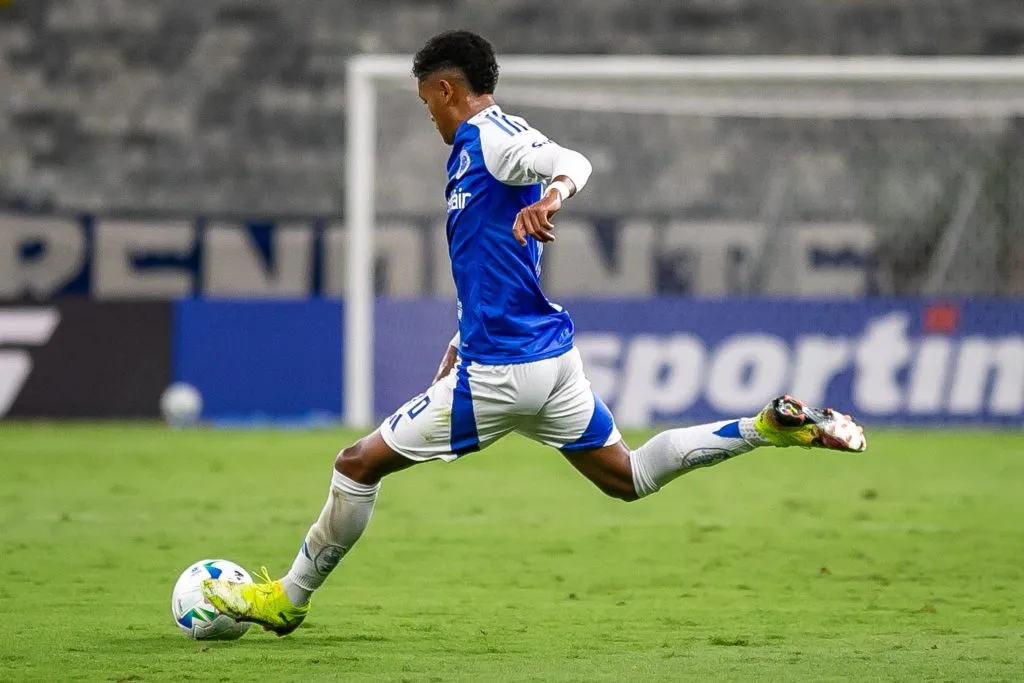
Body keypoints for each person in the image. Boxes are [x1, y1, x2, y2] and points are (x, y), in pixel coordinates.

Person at [202, 30, 866, 636]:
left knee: (356, 465)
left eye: (426, 102)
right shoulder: (480, 147)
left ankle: (288, 598)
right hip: (550, 363)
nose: (428, 114)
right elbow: (492, 260)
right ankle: (765, 427)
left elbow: (571, 159)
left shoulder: (489, 138)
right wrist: (460, 336)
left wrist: (552, 197)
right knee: (626, 476)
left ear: (445, 90)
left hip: (502, 375)